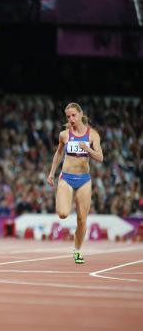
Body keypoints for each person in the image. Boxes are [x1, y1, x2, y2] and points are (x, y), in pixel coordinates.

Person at [47, 102, 103, 264]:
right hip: (66, 177)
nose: (71, 119)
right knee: (63, 213)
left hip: (84, 179)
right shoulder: (64, 135)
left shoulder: (93, 135)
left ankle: (77, 250)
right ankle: (65, 199)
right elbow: (58, 154)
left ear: (80, 114)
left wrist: (87, 149)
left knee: (82, 219)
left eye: (73, 115)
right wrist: (51, 173)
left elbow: (100, 158)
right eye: (68, 116)